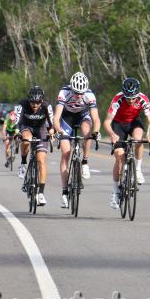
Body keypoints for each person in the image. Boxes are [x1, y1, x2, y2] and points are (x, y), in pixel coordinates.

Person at [104, 77, 150, 209]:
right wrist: (112, 134)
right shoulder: (118, 99)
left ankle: (137, 169)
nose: (131, 100)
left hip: (134, 122)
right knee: (119, 156)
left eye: (133, 98)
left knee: (138, 139)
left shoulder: (143, 99)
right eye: (128, 98)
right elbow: (107, 122)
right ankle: (115, 192)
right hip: (118, 124)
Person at [53, 71, 101, 208]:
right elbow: (56, 118)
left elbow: (96, 119)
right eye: (76, 92)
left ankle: (85, 161)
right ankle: (64, 192)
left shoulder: (90, 95)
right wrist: (59, 131)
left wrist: (96, 132)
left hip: (82, 115)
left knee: (87, 132)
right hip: (66, 117)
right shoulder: (64, 93)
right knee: (66, 152)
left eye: (81, 93)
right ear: (71, 88)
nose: (79, 96)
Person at [14, 86, 55, 206]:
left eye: (38, 102)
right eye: (32, 102)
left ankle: (41, 193)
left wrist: (52, 132)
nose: (35, 105)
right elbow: (17, 122)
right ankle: (23, 163)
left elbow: (52, 124)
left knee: (41, 160)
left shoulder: (47, 106)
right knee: (27, 140)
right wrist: (17, 134)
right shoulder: (22, 105)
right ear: (28, 100)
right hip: (26, 127)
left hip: (41, 129)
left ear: (42, 101)